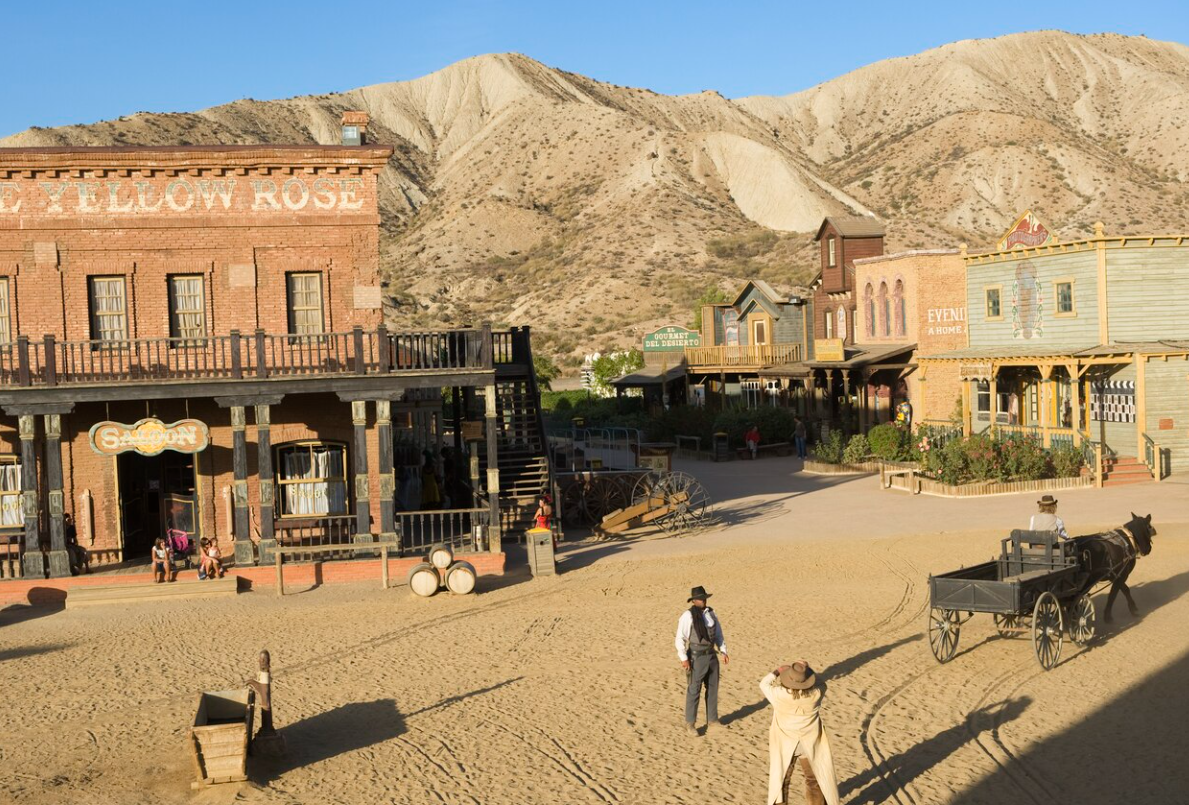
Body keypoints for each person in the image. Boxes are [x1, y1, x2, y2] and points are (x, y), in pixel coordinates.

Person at [760, 661, 840, 805]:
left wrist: (778, 670)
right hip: (809, 744)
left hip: (786, 745)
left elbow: (764, 684)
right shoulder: (815, 695)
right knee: (813, 780)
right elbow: (823, 684)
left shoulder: (779, 695)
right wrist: (808, 672)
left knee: (782, 780)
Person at [675, 585, 729, 735]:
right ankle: (690, 724)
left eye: (703, 598)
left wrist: (723, 650)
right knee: (694, 689)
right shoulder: (687, 616)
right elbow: (680, 638)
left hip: (712, 655)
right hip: (696, 657)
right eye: (699, 598)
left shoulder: (711, 613)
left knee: (713, 688)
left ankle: (712, 720)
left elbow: (718, 634)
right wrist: (684, 658)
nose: (702, 600)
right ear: (693, 601)